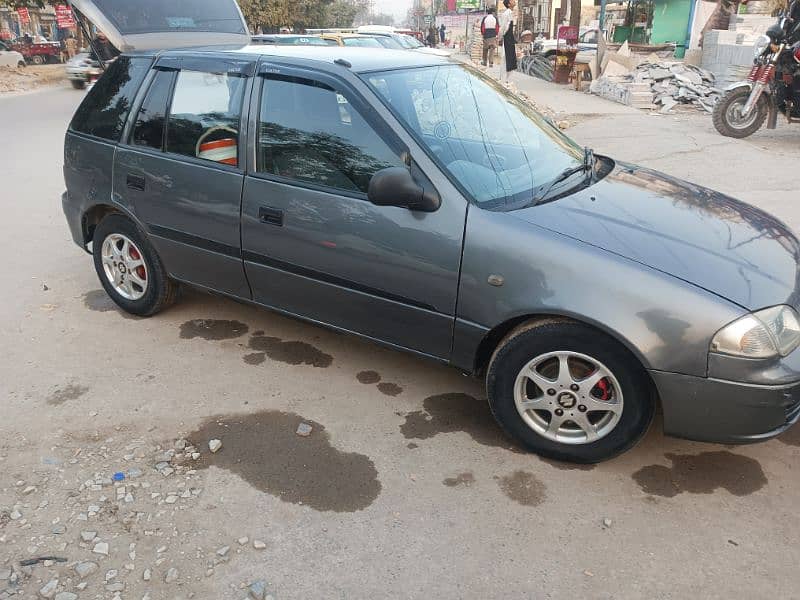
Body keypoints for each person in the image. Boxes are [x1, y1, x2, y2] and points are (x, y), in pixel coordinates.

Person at [499, 0, 518, 83]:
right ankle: (503, 78)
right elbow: (503, 27)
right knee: (506, 57)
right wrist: (500, 37)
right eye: (512, 1)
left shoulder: (510, 13)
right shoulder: (506, 13)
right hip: (507, 38)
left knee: (509, 57)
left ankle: (506, 78)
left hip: (509, 38)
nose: (514, 2)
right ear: (509, 4)